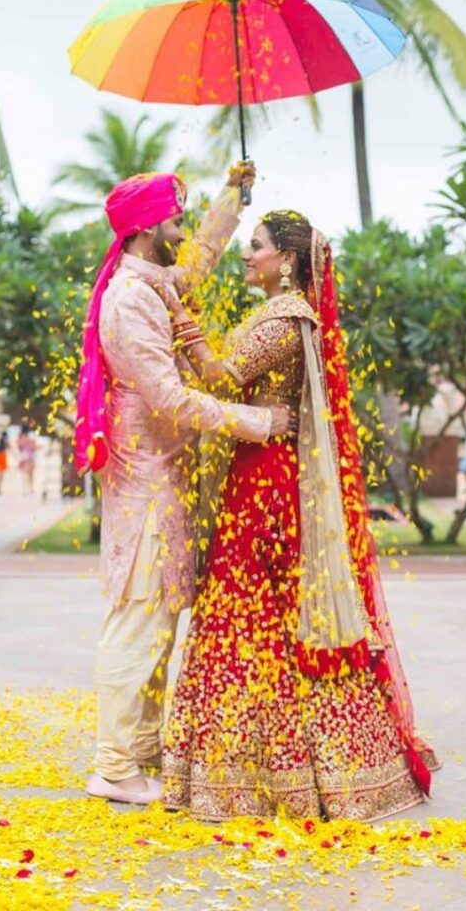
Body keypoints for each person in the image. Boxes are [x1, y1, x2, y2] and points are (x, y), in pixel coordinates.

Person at [157, 210, 440, 821]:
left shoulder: (288, 317)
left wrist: (184, 328)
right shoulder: (273, 314)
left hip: (268, 483)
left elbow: (227, 378)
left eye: (254, 246)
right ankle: (243, 766)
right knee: (248, 608)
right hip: (254, 469)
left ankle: (287, 773)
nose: (245, 255)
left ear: (287, 259)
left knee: (258, 609)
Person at [76, 165, 296, 807]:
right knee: (139, 623)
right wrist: (258, 423)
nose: (182, 229)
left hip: (166, 481)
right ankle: (113, 767)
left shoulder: (154, 283)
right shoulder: (131, 299)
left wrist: (234, 197)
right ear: (147, 229)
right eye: (176, 219)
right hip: (144, 486)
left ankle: (138, 757)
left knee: (160, 624)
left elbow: (195, 265)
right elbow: (169, 398)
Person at [16, 425, 37, 495]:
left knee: (25, 474)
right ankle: (30, 489)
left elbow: (19, 447)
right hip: (30, 457)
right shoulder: (29, 437)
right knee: (30, 475)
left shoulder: (20, 438)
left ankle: (25, 489)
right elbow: (33, 447)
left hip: (24, 457)